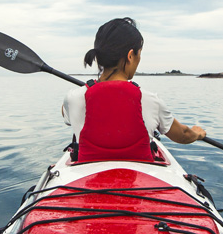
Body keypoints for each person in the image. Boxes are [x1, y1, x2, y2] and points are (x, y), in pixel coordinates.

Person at [62, 17, 206, 162]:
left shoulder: (73, 98)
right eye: (139, 53)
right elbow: (183, 135)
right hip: (139, 179)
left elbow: (65, 112)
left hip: (87, 178)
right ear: (130, 56)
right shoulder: (150, 100)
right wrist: (197, 134)